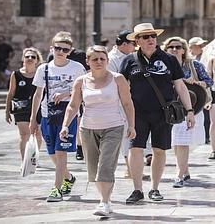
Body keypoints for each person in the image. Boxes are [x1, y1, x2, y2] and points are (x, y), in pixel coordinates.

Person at [119, 23, 195, 204]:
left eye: (153, 36)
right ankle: (137, 189)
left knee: (159, 150)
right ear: (137, 41)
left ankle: (154, 188)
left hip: (163, 112)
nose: (151, 39)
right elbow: (121, 87)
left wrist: (190, 110)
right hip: (137, 113)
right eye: (146, 37)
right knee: (135, 148)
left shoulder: (169, 59)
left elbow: (180, 86)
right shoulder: (129, 61)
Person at [59, 46, 136, 217]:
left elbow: (128, 103)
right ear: (88, 62)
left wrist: (131, 125)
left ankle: (105, 201)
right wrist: (65, 125)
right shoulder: (81, 81)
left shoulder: (118, 79)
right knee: (93, 170)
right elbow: (73, 106)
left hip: (114, 126)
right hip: (88, 128)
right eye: (95, 59)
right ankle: (104, 198)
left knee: (106, 166)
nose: (99, 62)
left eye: (102, 58)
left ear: (107, 60)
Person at [29, 31, 87, 202]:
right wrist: (34, 118)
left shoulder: (77, 68)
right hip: (48, 115)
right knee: (53, 153)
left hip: (68, 115)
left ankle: (56, 189)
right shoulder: (44, 68)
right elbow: (38, 94)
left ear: (70, 51)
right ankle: (68, 178)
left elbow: (84, 89)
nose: (61, 51)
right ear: (51, 48)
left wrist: (66, 93)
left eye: (65, 49)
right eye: (58, 48)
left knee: (61, 153)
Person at [162, 37, 212, 188]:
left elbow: (209, 81)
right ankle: (185, 170)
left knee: (182, 141)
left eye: (178, 47)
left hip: (191, 106)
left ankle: (179, 174)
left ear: (184, 49)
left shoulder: (194, 65)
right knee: (177, 142)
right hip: (170, 108)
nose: (174, 50)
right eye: (171, 47)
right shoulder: (162, 66)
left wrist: (196, 83)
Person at [5, 47, 44, 160]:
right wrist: (7, 111)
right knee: (24, 134)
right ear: (23, 59)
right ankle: (24, 161)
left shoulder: (40, 74)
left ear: (37, 60)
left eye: (33, 57)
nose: (30, 58)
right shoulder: (16, 74)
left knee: (38, 135)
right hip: (20, 109)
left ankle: (33, 158)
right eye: (27, 57)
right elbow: (11, 93)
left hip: (38, 108)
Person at [106, 29, 136, 177]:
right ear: (124, 44)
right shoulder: (111, 59)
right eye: (133, 43)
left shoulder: (131, 56)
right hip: (119, 103)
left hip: (132, 100)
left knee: (132, 132)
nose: (136, 46)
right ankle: (129, 168)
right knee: (126, 133)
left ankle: (133, 166)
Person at [188, 36, 210, 143]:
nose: (202, 47)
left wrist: (201, 83)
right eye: (199, 45)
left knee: (205, 114)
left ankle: (206, 136)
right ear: (191, 47)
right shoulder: (189, 60)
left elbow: (208, 79)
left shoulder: (204, 58)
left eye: (202, 45)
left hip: (200, 92)